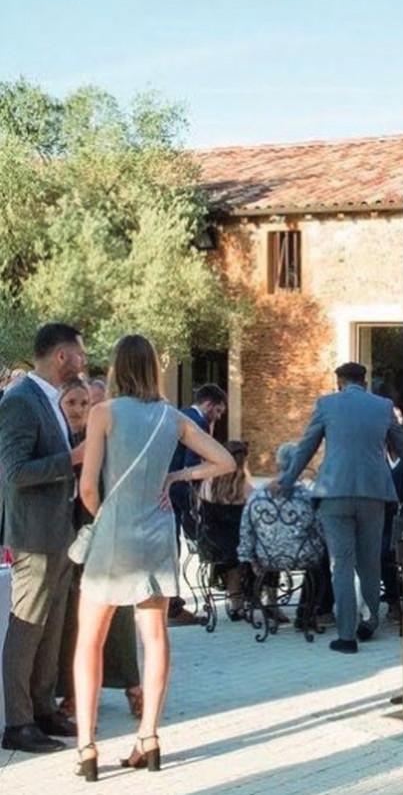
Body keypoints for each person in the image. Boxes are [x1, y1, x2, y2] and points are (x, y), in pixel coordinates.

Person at [73, 334, 235, 780]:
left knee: (90, 639)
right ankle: (149, 737)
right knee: (156, 637)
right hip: (156, 535)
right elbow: (224, 461)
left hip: (113, 535)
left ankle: (86, 746)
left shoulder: (103, 413)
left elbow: (88, 486)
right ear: (152, 370)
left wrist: (101, 513)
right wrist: (177, 475)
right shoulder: (172, 417)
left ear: (116, 368)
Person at [270, 362, 403, 654]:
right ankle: (369, 622)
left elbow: (306, 446)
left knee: (341, 564)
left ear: (339, 382)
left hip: (334, 492)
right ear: (364, 382)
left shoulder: (327, 404)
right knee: (370, 561)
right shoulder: (384, 406)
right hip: (374, 493)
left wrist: (288, 479)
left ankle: (346, 636)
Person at [0, 322, 86, 754]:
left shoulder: (49, 400)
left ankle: (42, 708)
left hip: (60, 533)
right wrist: (71, 458)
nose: (84, 362)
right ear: (61, 356)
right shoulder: (19, 401)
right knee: (27, 626)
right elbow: (14, 474)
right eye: (80, 354)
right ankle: (17, 722)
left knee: (52, 628)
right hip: (34, 536)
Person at [55, 380, 143, 721]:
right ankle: (75, 691)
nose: (82, 410)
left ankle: (133, 686)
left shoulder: (111, 443)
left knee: (118, 616)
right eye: (75, 402)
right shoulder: (67, 441)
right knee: (74, 618)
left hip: (107, 536)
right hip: (72, 537)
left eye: (89, 403)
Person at [239, 443, 327, 628]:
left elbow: (246, 530)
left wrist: (249, 558)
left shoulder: (258, 495)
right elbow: (319, 529)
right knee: (325, 562)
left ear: (277, 464)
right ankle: (308, 614)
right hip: (301, 557)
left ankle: (272, 607)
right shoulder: (308, 497)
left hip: (267, 558)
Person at [166, 383, 228, 626]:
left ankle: (168, 603)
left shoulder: (179, 415)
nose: (219, 417)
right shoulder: (197, 423)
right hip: (177, 492)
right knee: (175, 548)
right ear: (209, 405)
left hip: (165, 489)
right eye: (219, 411)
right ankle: (172, 606)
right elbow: (194, 464)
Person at [197, 441, 253, 621]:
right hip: (236, 547)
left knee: (232, 547)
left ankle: (235, 597)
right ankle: (240, 600)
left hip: (210, 544)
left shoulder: (207, 484)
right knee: (250, 548)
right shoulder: (246, 489)